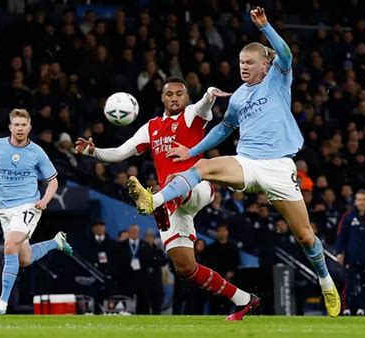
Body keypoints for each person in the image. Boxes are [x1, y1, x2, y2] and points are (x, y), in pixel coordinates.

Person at [128, 7, 340, 317]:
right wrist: (191, 151)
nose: (244, 67)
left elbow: (286, 53)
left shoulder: (279, 79)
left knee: (306, 236)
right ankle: (154, 198)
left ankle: (326, 281)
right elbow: (225, 128)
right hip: (248, 163)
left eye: (250, 62)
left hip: (280, 167)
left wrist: (266, 27)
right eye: (241, 62)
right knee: (202, 168)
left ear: (265, 65)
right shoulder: (238, 97)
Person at [75, 76, 257, 320]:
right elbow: (120, 153)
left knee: (172, 179)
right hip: (174, 203)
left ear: (186, 97)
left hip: (199, 188)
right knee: (184, 267)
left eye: (179, 94)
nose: (174, 98)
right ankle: (244, 300)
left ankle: (155, 203)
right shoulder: (150, 127)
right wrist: (93, 151)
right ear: (162, 97)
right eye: (169, 94)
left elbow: (203, 107)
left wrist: (209, 95)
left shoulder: (192, 115)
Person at [0, 108, 73, 315]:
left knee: (10, 246)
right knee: (24, 259)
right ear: (10, 127)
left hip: (28, 205)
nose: (20, 128)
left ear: (29, 128)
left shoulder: (37, 152)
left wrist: (45, 200)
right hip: (4, 209)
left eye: (23, 125)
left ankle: (2, 303)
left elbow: (53, 181)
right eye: (16, 125)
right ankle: (56, 242)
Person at [336, 189, 365, 316]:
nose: (362, 202)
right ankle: (346, 309)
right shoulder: (348, 217)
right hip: (351, 256)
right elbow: (341, 236)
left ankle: (362, 309)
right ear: (355, 201)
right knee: (349, 283)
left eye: (364, 199)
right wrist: (339, 252)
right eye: (359, 199)